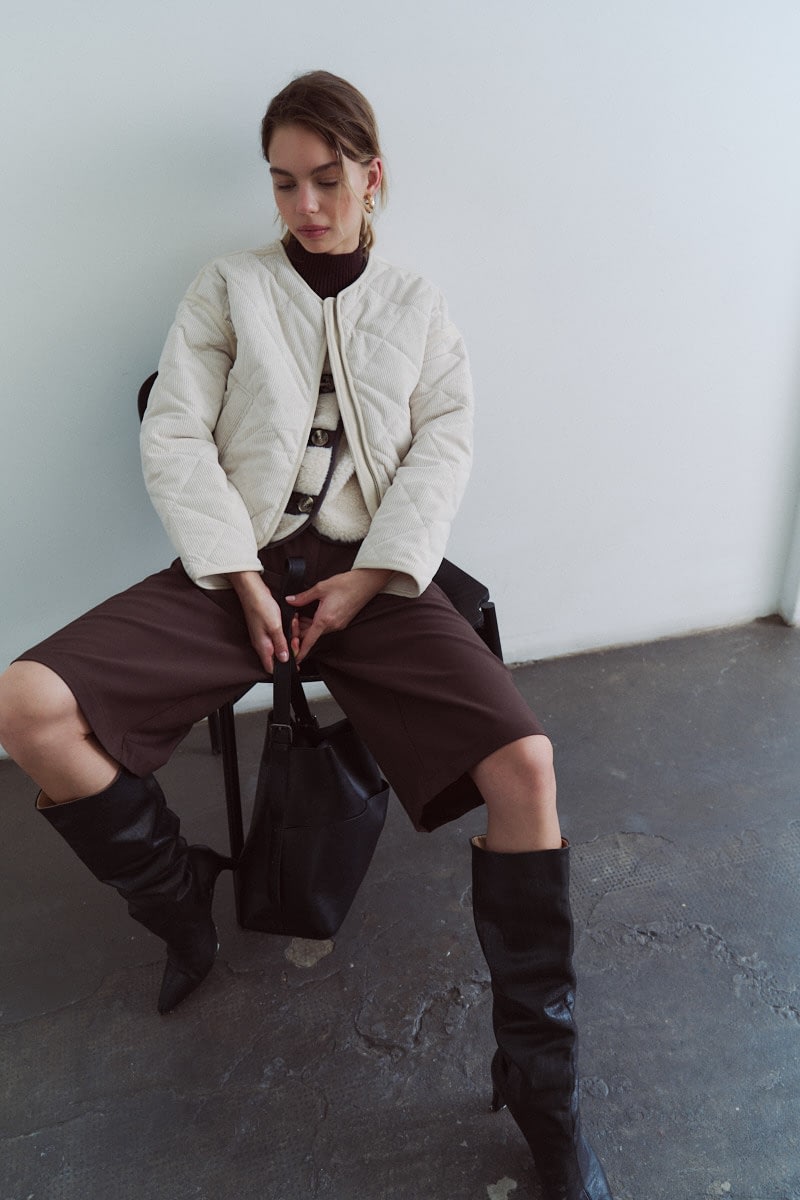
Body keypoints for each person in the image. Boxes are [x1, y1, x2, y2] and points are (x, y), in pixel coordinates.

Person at [0, 71, 613, 1200]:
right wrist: (235, 574)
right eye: (284, 183)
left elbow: (443, 448)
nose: (306, 206)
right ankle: (180, 902)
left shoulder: (418, 302)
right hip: (235, 569)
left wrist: (372, 577)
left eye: (327, 180)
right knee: (26, 702)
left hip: (374, 578)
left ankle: (543, 1089)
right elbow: (175, 434)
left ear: (373, 177)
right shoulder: (227, 287)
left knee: (527, 765)